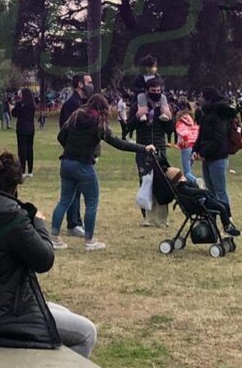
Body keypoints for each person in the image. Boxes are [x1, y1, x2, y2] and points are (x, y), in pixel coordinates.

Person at [0, 152, 97, 357]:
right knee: (86, 333)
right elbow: (44, 260)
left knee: (63, 312)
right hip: (3, 316)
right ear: (15, 186)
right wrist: (39, 223)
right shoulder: (13, 216)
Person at [50, 95, 156, 251]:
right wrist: (143, 148)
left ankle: (54, 238)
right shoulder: (98, 123)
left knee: (64, 200)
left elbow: (61, 136)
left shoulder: (75, 116)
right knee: (92, 202)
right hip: (84, 165)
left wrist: (71, 148)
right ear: (103, 108)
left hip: (66, 163)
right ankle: (89, 240)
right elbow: (119, 143)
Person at [193, 87, 237, 227]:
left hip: (218, 157)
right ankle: (212, 219)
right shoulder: (206, 113)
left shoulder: (219, 114)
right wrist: (196, 149)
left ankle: (227, 220)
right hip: (207, 157)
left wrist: (204, 152)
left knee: (220, 191)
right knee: (210, 192)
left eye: (201, 96)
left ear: (208, 98)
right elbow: (202, 134)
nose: (199, 99)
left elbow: (218, 138)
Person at [132, 77, 173, 227]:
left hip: (160, 147)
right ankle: (146, 217)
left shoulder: (163, 105)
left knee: (163, 182)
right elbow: (129, 126)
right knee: (144, 182)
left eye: (158, 91)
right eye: (153, 91)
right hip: (143, 148)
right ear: (147, 91)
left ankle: (162, 217)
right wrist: (138, 115)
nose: (156, 93)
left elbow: (170, 130)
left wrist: (167, 118)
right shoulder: (138, 103)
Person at [57, 74, 94, 238]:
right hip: (74, 155)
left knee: (77, 190)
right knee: (72, 192)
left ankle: (76, 220)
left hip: (81, 154)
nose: (91, 85)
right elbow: (65, 130)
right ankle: (73, 223)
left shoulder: (81, 103)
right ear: (80, 84)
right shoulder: (72, 104)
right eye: (89, 82)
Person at [12, 88, 36, 178]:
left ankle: (22, 171)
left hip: (22, 128)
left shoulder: (20, 104)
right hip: (30, 129)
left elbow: (14, 114)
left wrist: (12, 108)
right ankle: (30, 171)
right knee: (30, 149)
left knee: (22, 149)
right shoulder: (32, 105)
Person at [174, 109, 199, 185]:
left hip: (186, 147)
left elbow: (182, 132)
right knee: (189, 169)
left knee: (187, 172)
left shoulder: (180, 123)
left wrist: (185, 139)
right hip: (194, 147)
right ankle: (189, 186)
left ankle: (196, 182)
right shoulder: (193, 124)